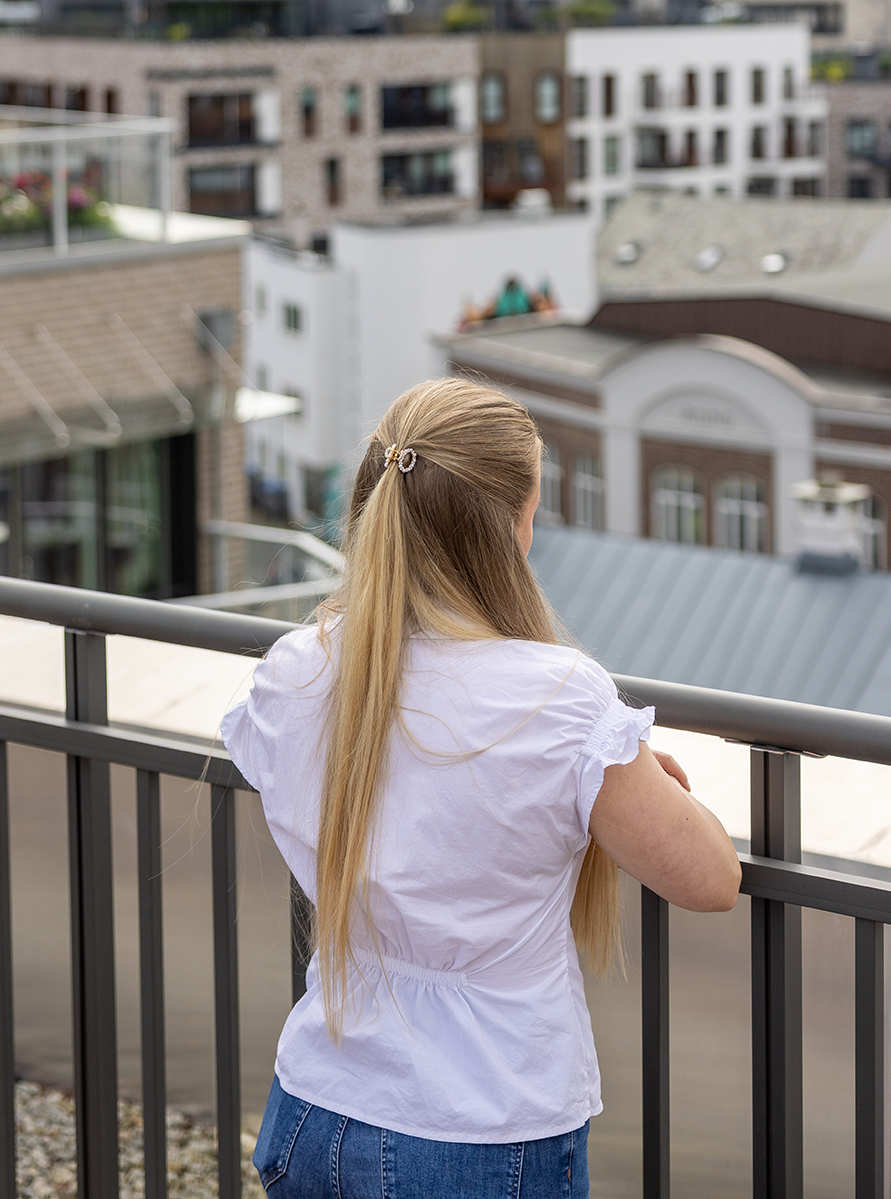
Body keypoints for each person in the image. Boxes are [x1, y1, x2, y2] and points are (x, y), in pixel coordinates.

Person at [220, 378, 740, 1198]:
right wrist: (641, 778)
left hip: (314, 1108)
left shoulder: (301, 667)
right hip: (479, 1132)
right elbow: (711, 879)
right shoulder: (556, 698)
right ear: (510, 529)